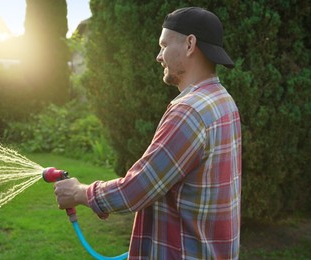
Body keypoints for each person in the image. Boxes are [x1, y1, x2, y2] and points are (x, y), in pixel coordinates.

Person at [54, 7, 241, 259]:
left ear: (189, 44)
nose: (158, 56)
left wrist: (78, 193)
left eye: (164, 45)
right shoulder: (222, 100)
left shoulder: (189, 112)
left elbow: (135, 190)